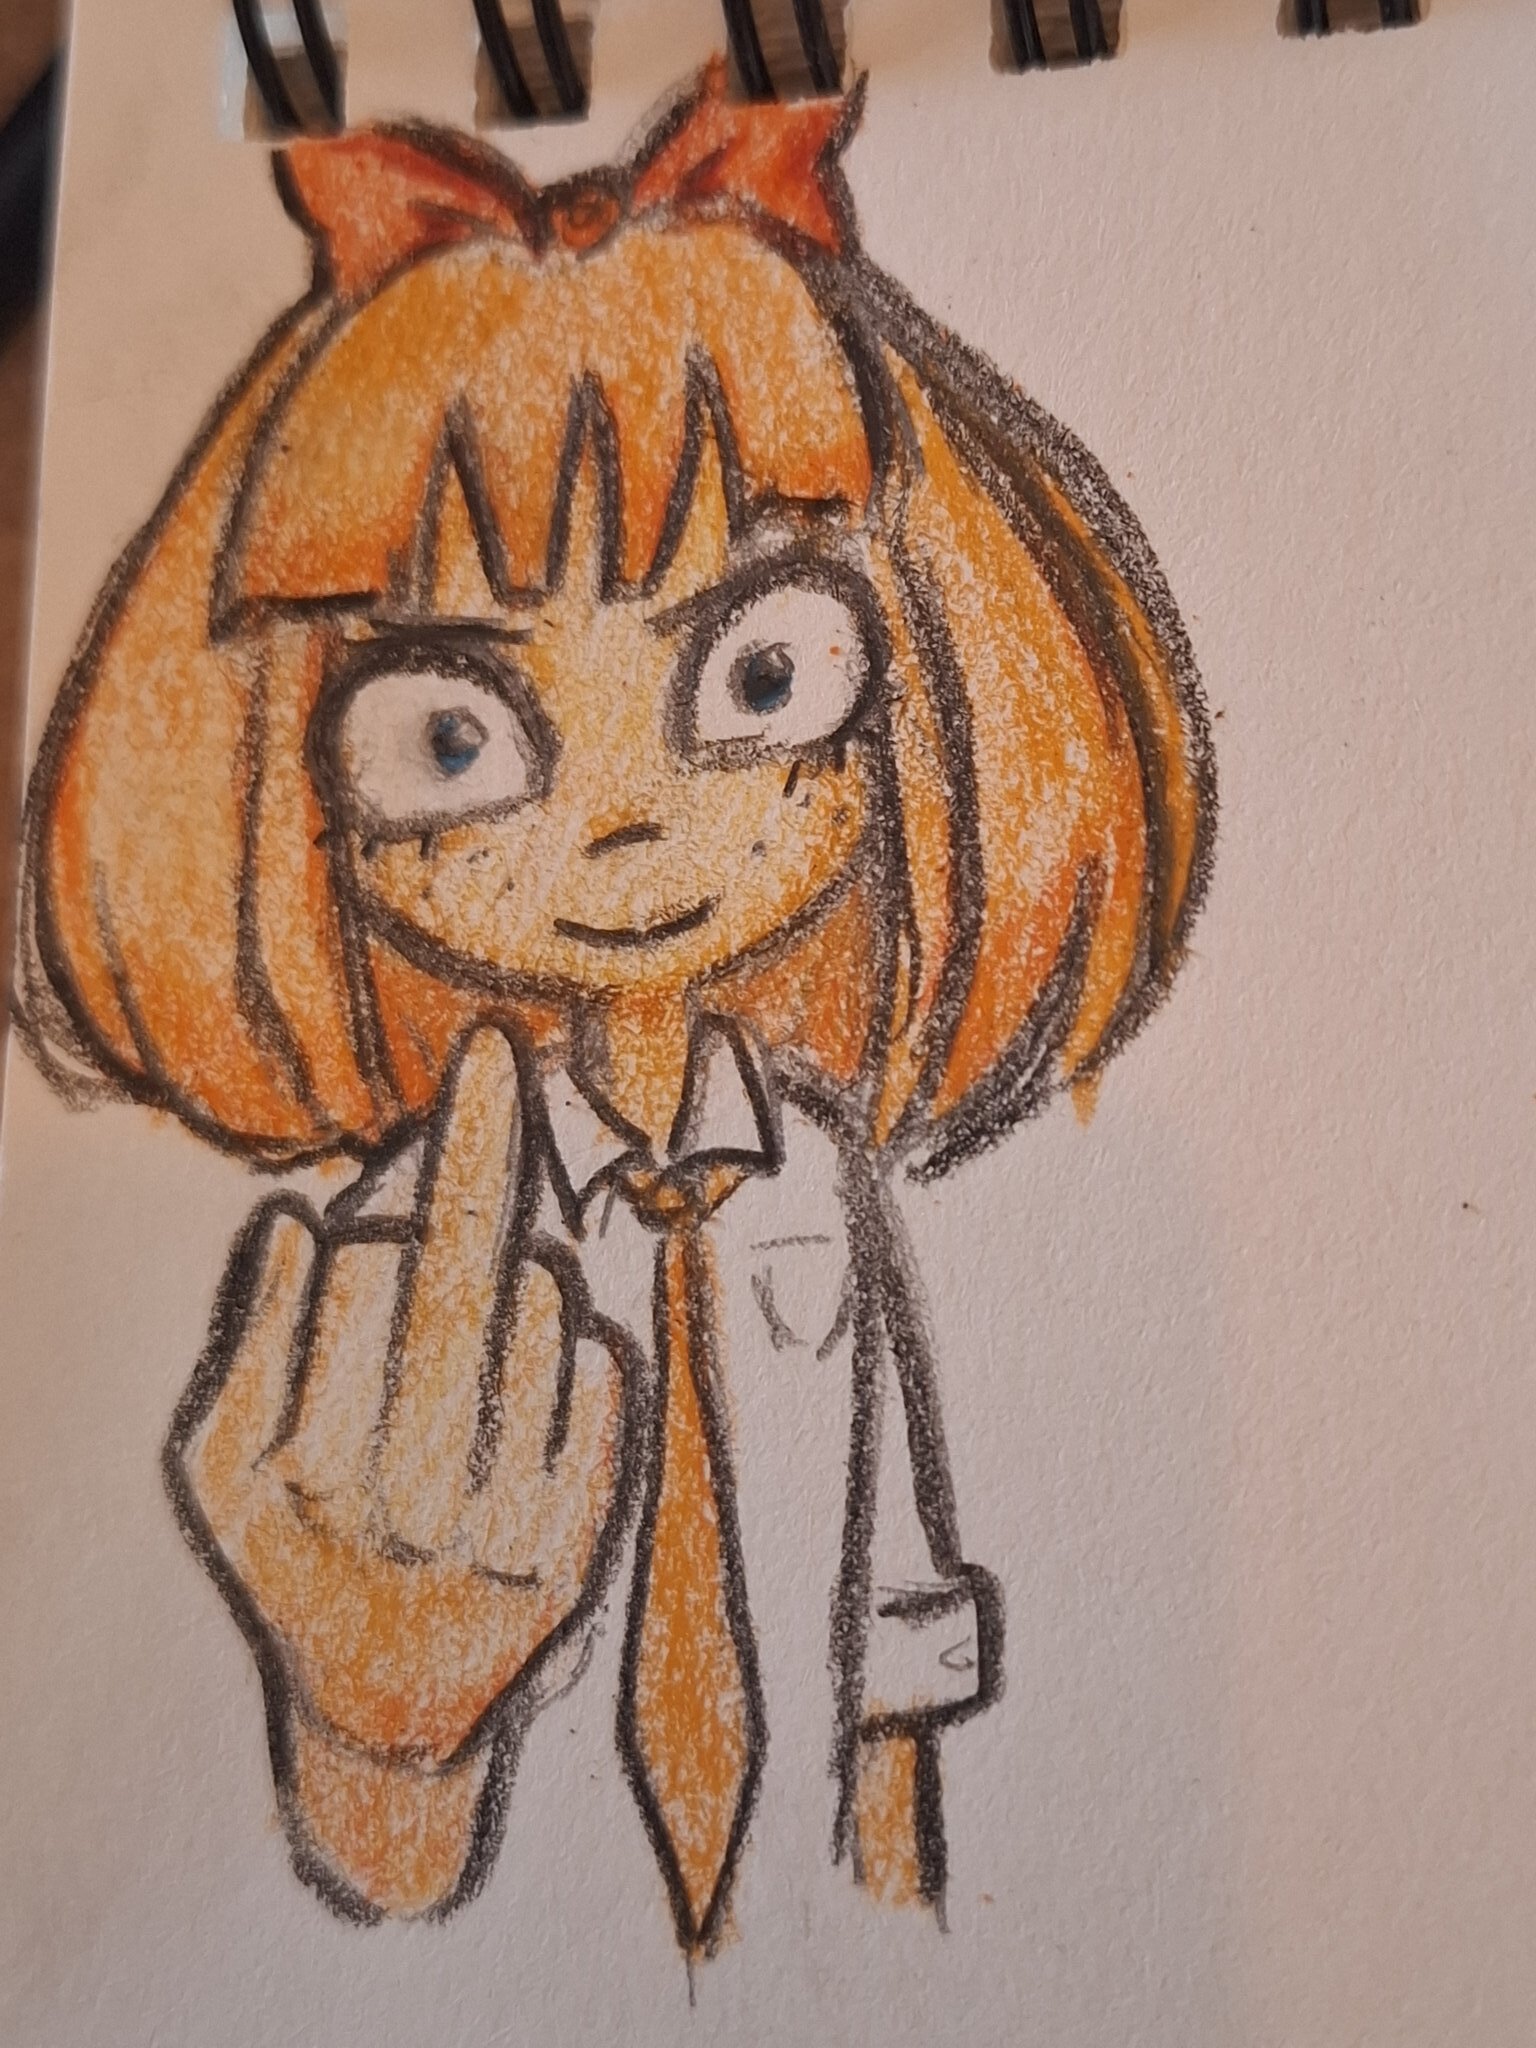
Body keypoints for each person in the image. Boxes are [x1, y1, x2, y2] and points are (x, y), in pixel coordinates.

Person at [17, 60, 1213, 1959]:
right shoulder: (406, 1268)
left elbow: (892, 1587)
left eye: (760, 674)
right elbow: (377, 1888)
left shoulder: (814, 1181)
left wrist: (908, 1903)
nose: (629, 820)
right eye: (456, 735)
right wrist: (376, 1727)